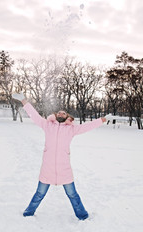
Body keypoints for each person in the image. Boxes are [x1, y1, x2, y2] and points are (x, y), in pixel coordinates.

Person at [12, 92, 106, 220]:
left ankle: (82, 215)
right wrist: (24, 101)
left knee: (73, 195)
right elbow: (34, 115)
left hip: (64, 170)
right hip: (47, 169)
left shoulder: (71, 129)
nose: (61, 114)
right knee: (39, 193)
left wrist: (102, 120)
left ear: (67, 117)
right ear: (55, 116)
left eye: (64, 113)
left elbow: (87, 126)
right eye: (59, 113)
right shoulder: (47, 125)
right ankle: (29, 213)